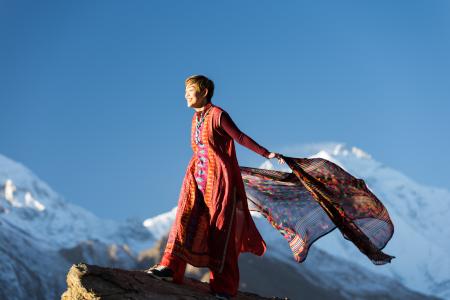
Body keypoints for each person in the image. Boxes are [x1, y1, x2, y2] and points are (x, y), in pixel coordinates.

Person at [145, 74, 284, 299]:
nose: (185, 97)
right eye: (185, 92)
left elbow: (239, 137)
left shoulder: (218, 115)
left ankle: (223, 287)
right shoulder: (194, 119)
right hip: (195, 177)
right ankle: (170, 268)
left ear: (204, 92)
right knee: (184, 219)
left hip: (218, 179)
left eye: (190, 92)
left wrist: (266, 153)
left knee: (220, 229)